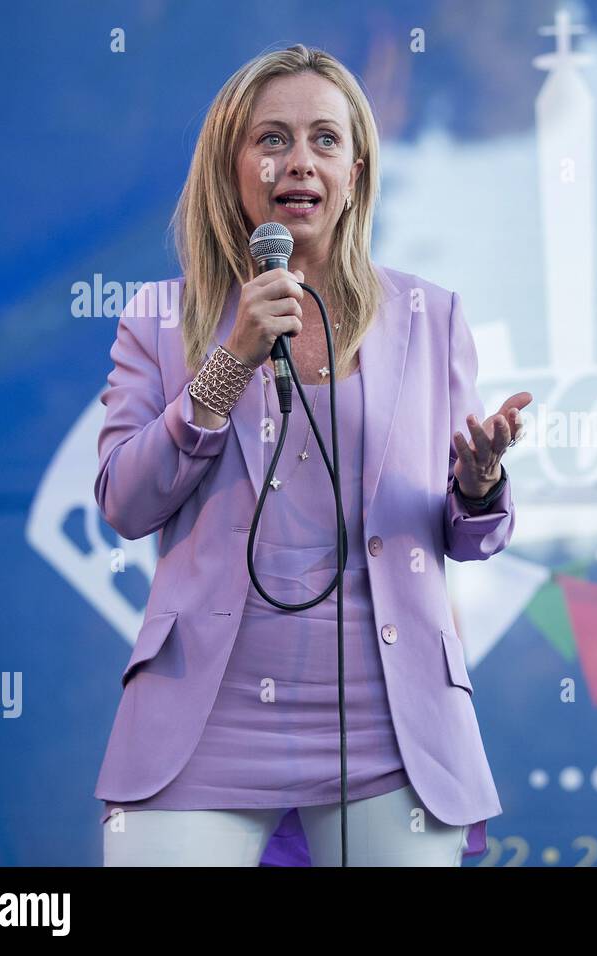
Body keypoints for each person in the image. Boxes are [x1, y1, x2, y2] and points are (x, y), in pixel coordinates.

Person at [94, 43, 530, 866]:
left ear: (357, 170)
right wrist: (230, 362)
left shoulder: (431, 317)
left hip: (388, 719)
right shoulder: (158, 318)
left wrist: (479, 485)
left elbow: (469, 534)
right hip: (202, 719)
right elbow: (124, 501)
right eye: (273, 139)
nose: (300, 161)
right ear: (233, 164)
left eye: (325, 140)